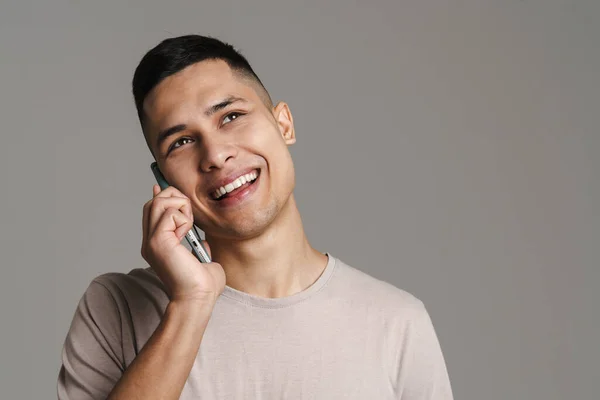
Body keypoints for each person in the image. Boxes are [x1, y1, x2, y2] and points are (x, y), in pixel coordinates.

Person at [57, 34, 453, 400]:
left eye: (230, 116)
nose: (214, 155)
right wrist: (192, 302)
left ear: (284, 124)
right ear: (163, 179)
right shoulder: (115, 308)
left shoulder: (397, 322)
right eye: (182, 142)